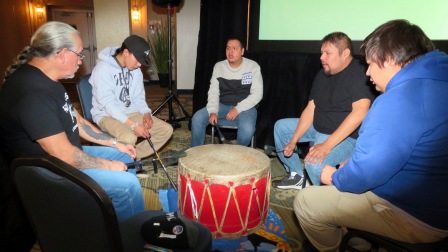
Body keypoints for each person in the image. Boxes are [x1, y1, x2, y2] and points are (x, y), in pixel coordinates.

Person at [294, 19, 448, 251]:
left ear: (388, 59)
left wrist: (334, 177)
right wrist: (356, 163)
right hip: (435, 201)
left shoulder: (399, 100)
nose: (367, 73)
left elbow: (365, 176)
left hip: (417, 217)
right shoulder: (438, 80)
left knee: (306, 202)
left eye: (370, 64)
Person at [0, 21, 145, 250]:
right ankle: (127, 243)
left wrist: (115, 143)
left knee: (126, 157)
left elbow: (79, 122)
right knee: (128, 185)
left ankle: (106, 220)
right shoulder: (32, 93)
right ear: (61, 54)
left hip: (63, 154)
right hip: (47, 172)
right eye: (78, 54)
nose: (81, 61)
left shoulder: (50, 80)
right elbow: (64, 155)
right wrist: (108, 165)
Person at [273, 32, 376, 189]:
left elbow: (360, 113)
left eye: (327, 53)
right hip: (318, 126)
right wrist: (294, 140)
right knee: (281, 127)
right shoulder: (322, 74)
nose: (322, 57)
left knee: (314, 163)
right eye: (322, 52)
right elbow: (311, 108)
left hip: (347, 137)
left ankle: (324, 200)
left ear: (345, 53)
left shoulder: (359, 74)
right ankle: (297, 176)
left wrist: (326, 145)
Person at [90, 35, 173, 161]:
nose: (139, 65)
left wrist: (146, 113)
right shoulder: (103, 69)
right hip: (106, 115)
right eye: (137, 60)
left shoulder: (135, 70)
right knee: (129, 138)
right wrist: (133, 126)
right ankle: (125, 160)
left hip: (130, 112)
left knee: (166, 130)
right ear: (126, 52)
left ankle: (131, 157)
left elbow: (138, 96)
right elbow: (108, 105)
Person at [190, 37, 263, 147]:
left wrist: (237, 109)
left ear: (242, 51)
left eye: (235, 48)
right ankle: (197, 153)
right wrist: (213, 111)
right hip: (222, 105)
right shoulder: (219, 66)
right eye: (228, 48)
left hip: (245, 108)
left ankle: (237, 156)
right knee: (197, 118)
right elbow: (213, 92)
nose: (230, 51)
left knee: (247, 128)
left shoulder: (253, 67)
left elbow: (257, 94)